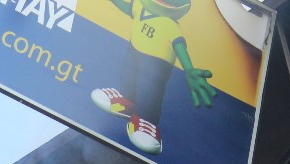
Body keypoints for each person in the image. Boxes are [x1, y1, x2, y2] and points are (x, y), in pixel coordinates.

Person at [91, 0, 217, 154]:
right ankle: (126, 101)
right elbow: (128, 8)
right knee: (129, 74)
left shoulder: (170, 26)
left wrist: (189, 70)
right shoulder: (139, 5)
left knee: (150, 89)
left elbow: (179, 46)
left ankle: (146, 121)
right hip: (135, 50)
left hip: (157, 63)